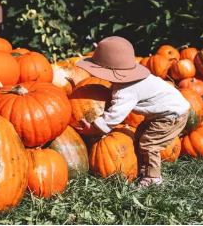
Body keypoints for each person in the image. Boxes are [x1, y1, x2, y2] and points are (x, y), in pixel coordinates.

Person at [75, 36, 190, 187]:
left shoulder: (126, 91)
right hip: (167, 110)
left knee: (150, 143)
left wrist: (94, 128)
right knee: (141, 134)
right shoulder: (132, 81)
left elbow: (114, 117)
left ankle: (154, 178)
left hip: (172, 115)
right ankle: (144, 166)